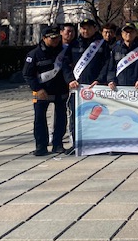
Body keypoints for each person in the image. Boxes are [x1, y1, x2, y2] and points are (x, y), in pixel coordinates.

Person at [63, 18, 111, 154]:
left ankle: (99, 144)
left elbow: (107, 64)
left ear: (95, 28)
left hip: (96, 86)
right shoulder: (73, 44)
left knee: (98, 116)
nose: (86, 31)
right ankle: (76, 144)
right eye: (83, 28)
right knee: (76, 117)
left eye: (89, 28)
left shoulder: (102, 45)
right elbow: (65, 65)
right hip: (77, 88)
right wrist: (70, 80)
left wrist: (99, 80)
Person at [23, 26, 69, 156]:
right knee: (39, 119)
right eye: (52, 38)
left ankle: (58, 144)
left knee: (61, 118)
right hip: (42, 92)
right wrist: (37, 89)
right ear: (44, 38)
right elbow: (27, 74)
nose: (55, 41)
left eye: (57, 38)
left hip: (60, 90)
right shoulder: (34, 54)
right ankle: (41, 146)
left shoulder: (63, 52)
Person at [107, 22, 138, 90]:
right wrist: (111, 80)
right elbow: (111, 68)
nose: (128, 34)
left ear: (135, 33)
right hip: (119, 88)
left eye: (131, 32)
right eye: (126, 32)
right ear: (122, 34)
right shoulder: (116, 49)